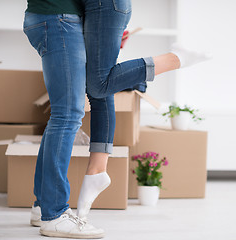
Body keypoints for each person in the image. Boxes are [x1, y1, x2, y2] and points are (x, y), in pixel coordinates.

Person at [23, 0, 210, 238]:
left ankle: (43, 206)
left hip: (53, 16)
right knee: (69, 113)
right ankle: (54, 214)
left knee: (64, 114)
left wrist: (104, 25)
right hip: (58, 18)